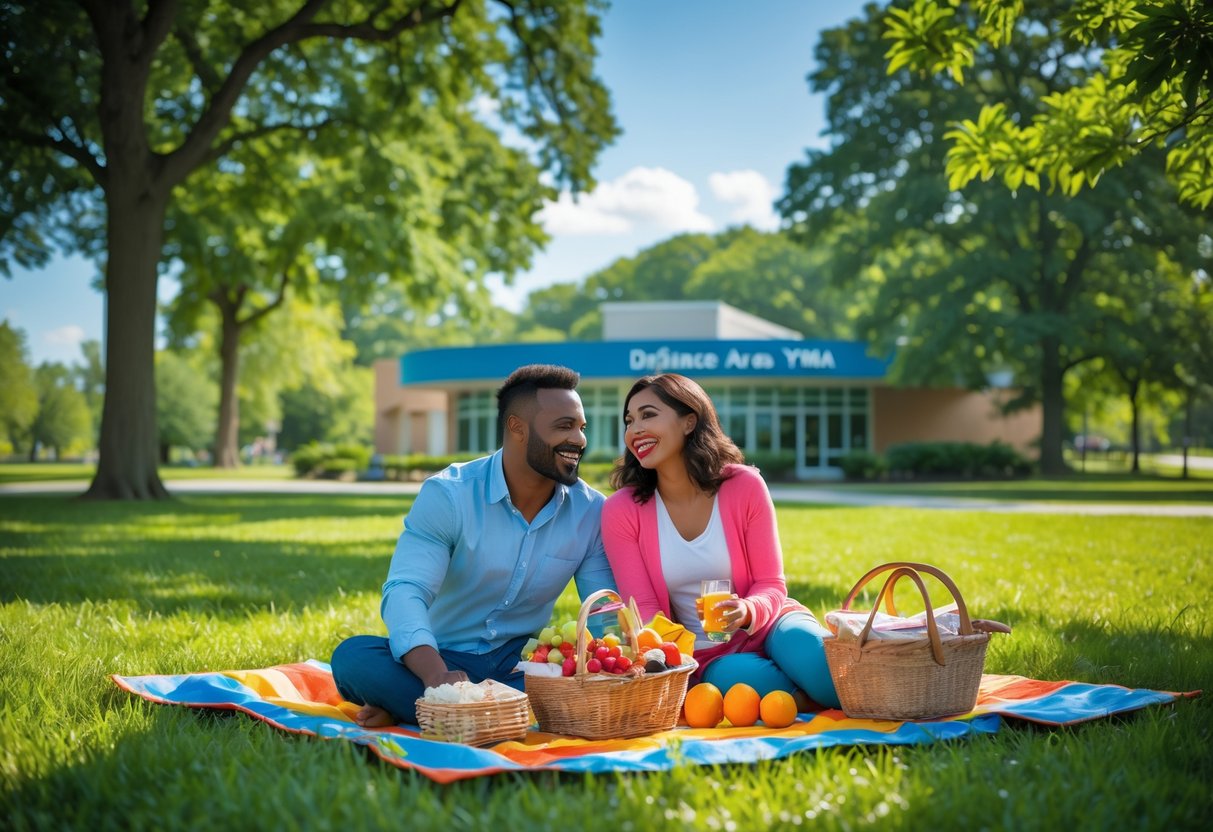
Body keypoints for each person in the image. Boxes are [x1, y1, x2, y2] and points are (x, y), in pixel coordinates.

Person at [331, 364, 616, 726]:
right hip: (440, 657)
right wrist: (435, 678)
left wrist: (623, 662)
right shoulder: (449, 495)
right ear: (517, 428)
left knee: (579, 683)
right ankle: (479, 708)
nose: (580, 439)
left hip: (521, 665)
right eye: (564, 426)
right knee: (353, 658)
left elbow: (605, 609)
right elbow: (406, 591)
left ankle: (434, 710)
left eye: (581, 427)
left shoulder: (590, 511)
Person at [601, 373, 840, 709]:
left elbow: (771, 584)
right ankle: (805, 698)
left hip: (770, 623)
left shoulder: (744, 486)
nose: (634, 429)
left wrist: (746, 610)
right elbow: (646, 615)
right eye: (629, 420)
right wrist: (681, 659)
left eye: (648, 415)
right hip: (704, 653)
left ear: (689, 422)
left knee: (812, 657)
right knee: (739, 679)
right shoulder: (622, 510)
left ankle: (825, 694)